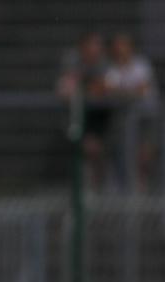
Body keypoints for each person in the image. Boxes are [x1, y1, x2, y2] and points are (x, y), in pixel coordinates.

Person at [56, 32, 112, 192]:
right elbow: (65, 89)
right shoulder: (72, 60)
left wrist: (91, 88)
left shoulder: (104, 63)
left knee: (98, 161)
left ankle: (97, 192)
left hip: (100, 120)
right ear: (83, 47)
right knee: (82, 163)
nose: (96, 50)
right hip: (75, 120)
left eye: (98, 47)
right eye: (92, 46)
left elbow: (106, 87)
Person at [104, 33, 159, 192]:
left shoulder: (141, 65)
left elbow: (142, 90)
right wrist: (130, 92)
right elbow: (109, 90)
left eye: (123, 46)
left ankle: (143, 189)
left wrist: (122, 92)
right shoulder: (112, 69)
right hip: (123, 119)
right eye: (117, 47)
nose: (120, 50)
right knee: (125, 159)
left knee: (145, 157)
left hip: (146, 117)